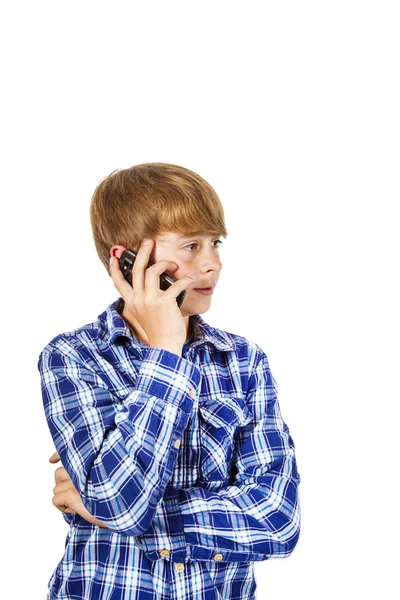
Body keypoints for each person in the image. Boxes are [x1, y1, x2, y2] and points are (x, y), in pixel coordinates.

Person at [38, 162, 301, 600]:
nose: (213, 264)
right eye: (191, 246)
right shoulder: (72, 357)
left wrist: (109, 509)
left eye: (215, 243)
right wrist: (165, 354)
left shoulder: (243, 362)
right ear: (127, 259)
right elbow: (118, 502)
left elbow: (278, 519)